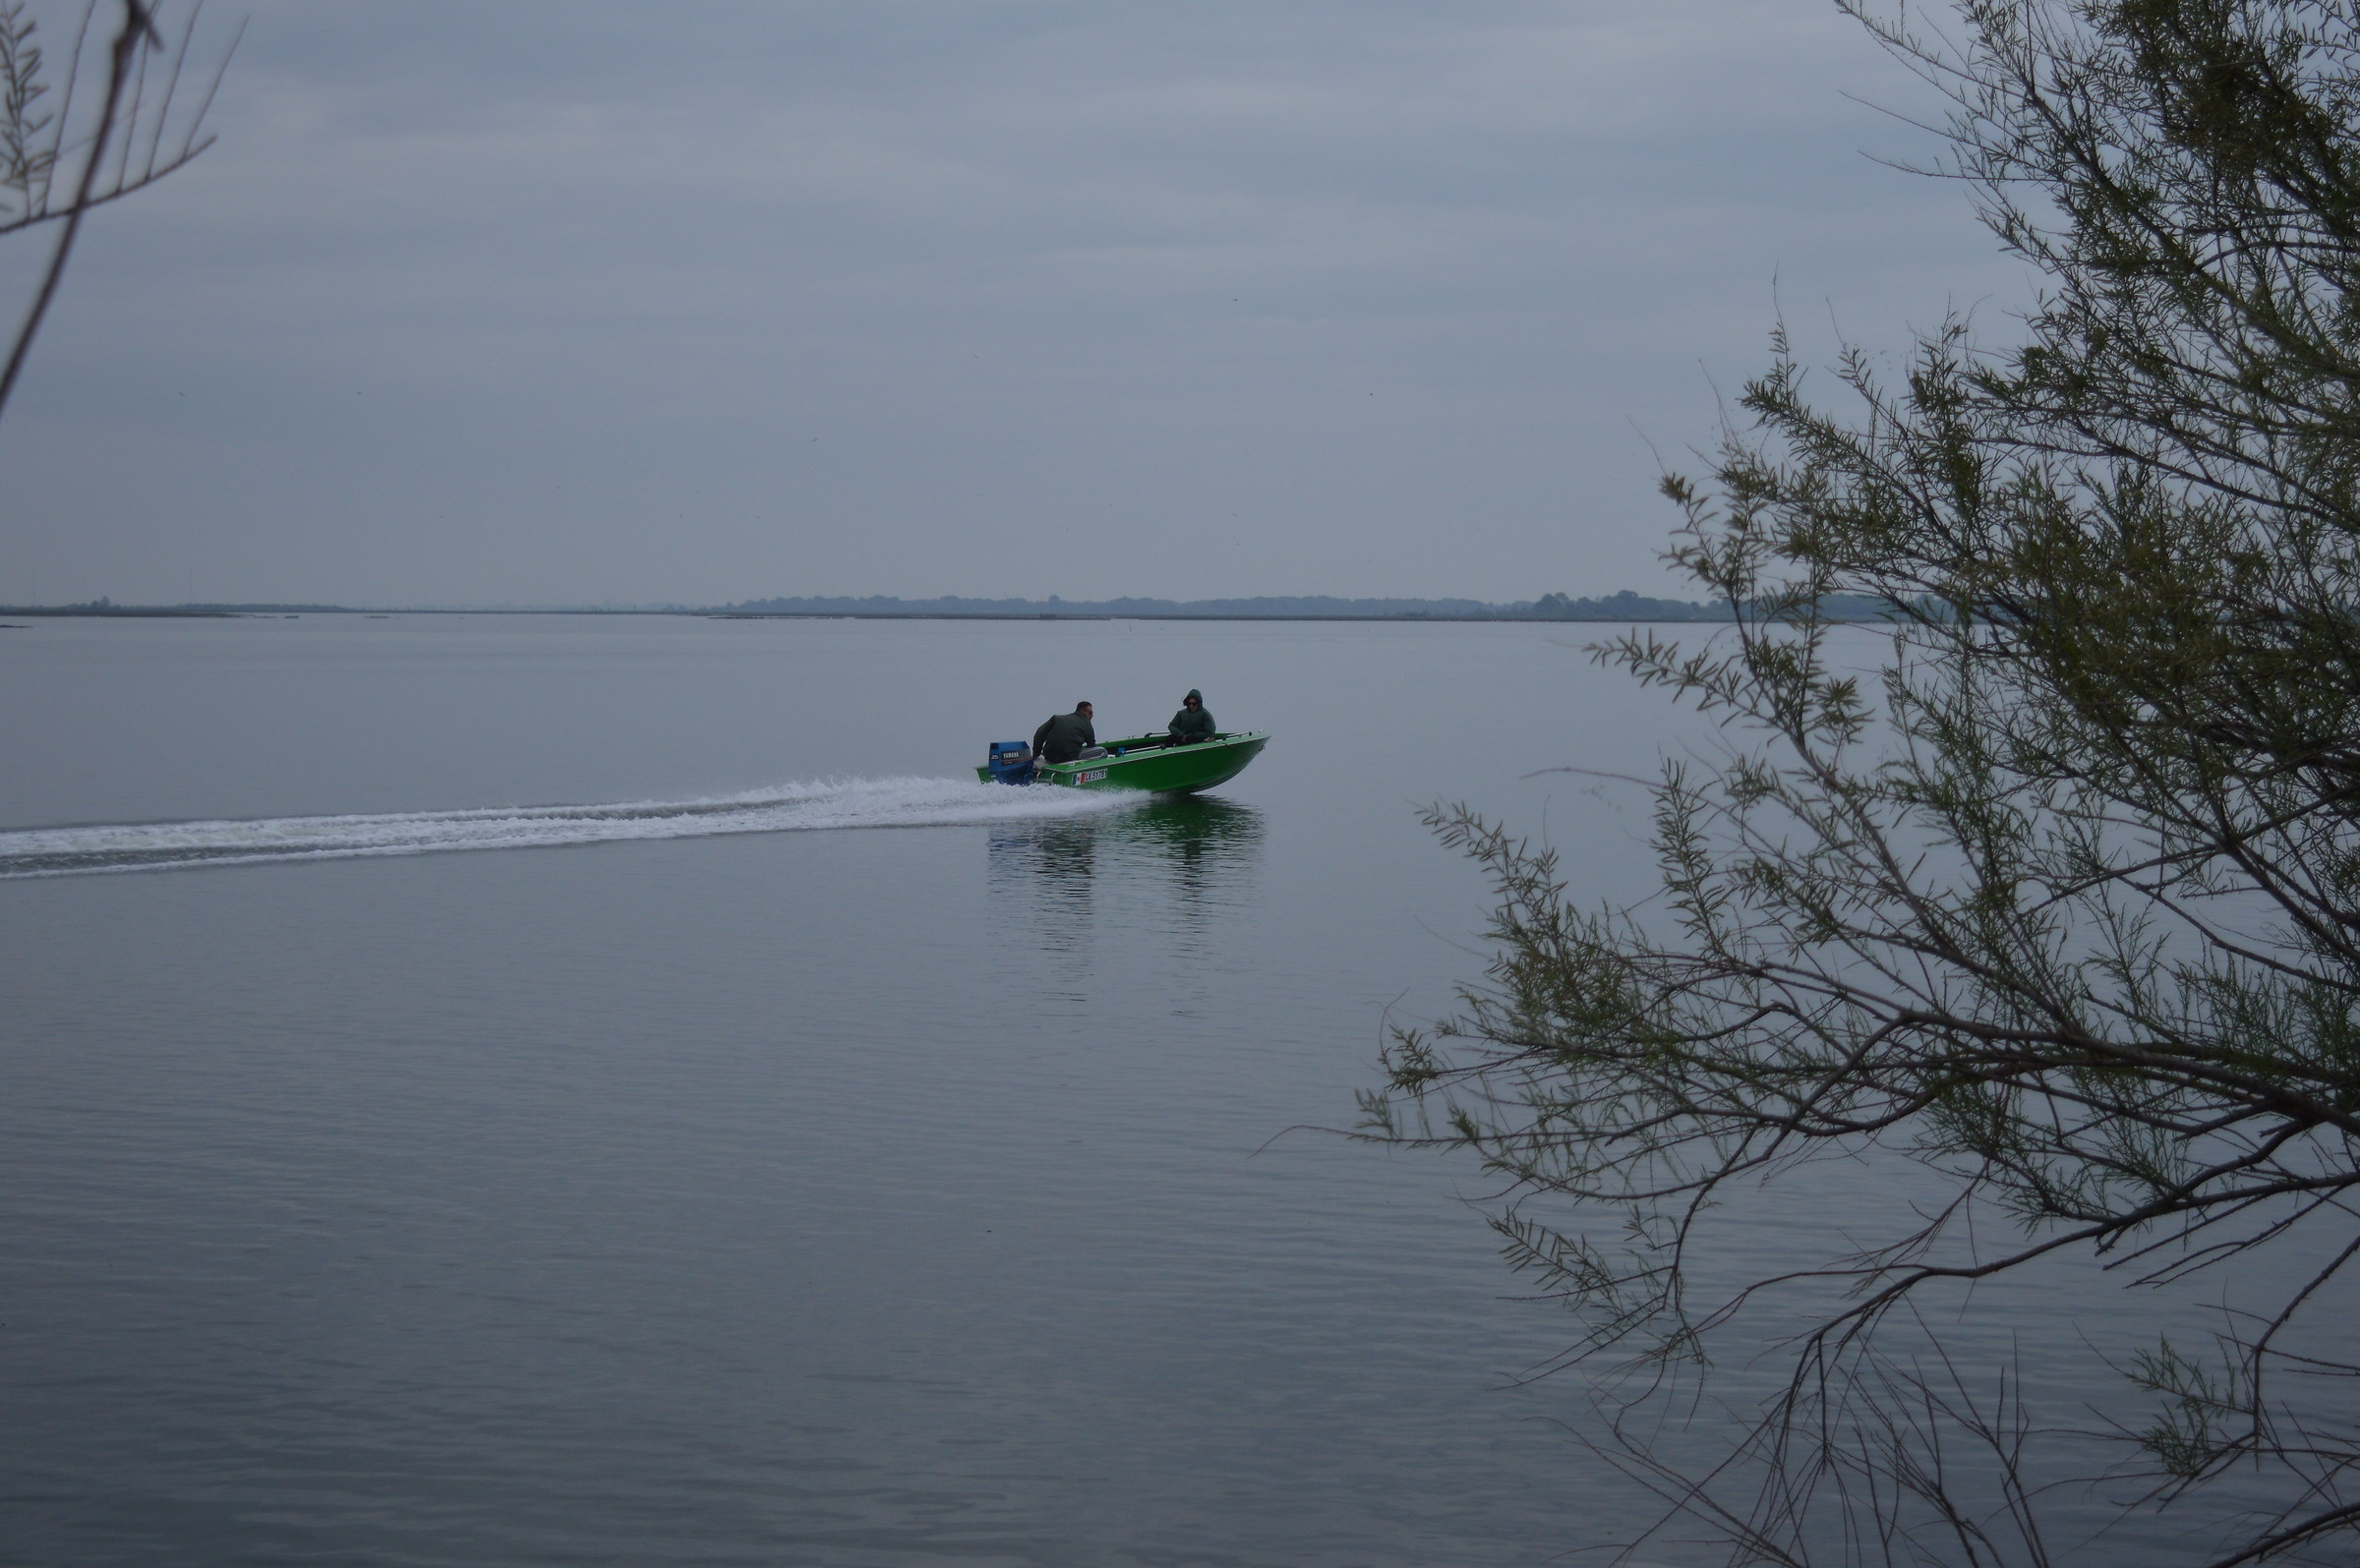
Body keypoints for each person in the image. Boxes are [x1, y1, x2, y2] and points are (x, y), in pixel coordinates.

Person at [1032, 700, 1095, 766]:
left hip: (1049, 757)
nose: (1092, 715)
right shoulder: (1086, 724)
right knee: (1101, 751)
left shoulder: (1056, 718)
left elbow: (1040, 733)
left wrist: (1036, 754)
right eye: (1090, 713)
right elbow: (1091, 745)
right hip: (1069, 758)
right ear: (1083, 711)